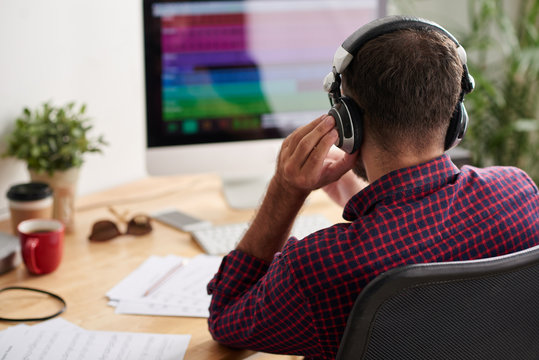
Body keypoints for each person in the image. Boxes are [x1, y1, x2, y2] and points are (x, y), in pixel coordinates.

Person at [206, 16, 539, 360]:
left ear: (347, 122)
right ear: (456, 118)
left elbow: (226, 320)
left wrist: (287, 188)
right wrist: (360, 196)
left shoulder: (319, 267)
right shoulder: (519, 194)